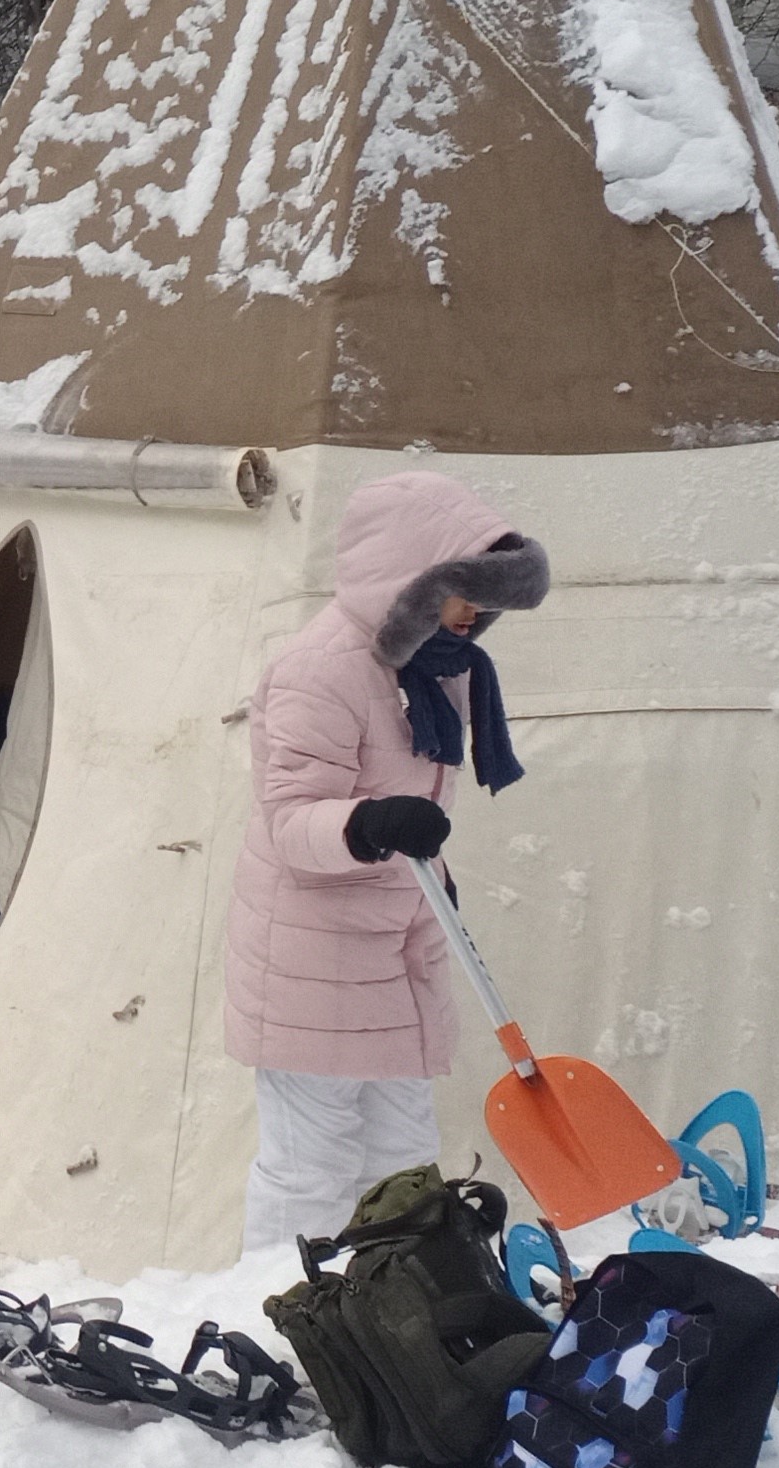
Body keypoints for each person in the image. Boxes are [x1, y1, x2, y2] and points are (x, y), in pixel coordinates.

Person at [224, 469, 550, 1255]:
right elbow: (292, 819)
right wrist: (369, 824)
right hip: (312, 961)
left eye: (484, 599)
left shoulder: (436, 668)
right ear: (408, 584)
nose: (476, 616)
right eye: (461, 593)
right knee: (311, 1170)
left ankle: (392, 1323)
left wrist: (429, 875)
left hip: (395, 951)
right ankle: (280, 1317)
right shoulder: (321, 669)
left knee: (402, 1164)